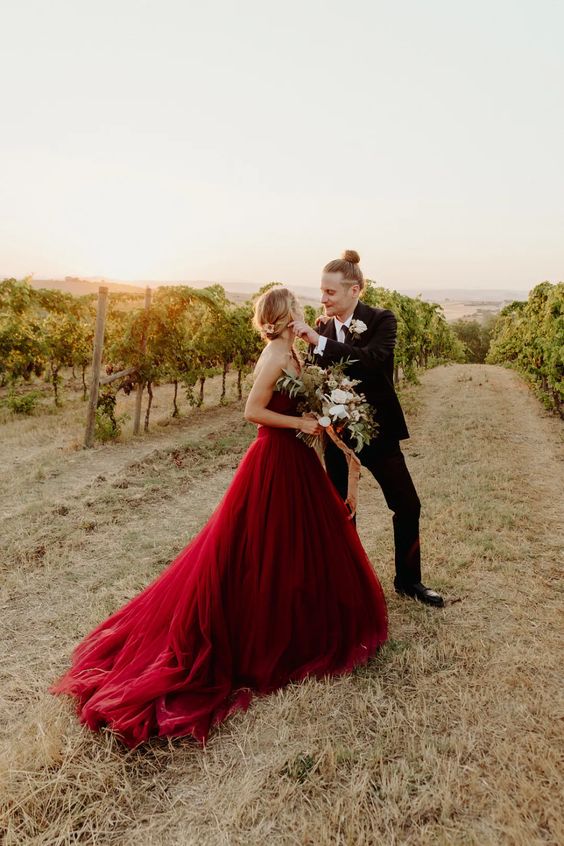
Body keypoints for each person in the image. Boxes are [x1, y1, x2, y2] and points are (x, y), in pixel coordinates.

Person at [50, 286, 388, 749]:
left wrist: (325, 411)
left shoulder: (293, 351)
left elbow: (297, 398)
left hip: (297, 459)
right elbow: (253, 412)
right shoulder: (273, 354)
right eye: (298, 307)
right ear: (284, 314)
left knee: (299, 543)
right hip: (274, 459)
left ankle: (303, 621)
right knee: (260, 547)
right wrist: (301, 424)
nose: (305, 311)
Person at [290, 250, 445, 608]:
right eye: (321, 291)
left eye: (330, 292)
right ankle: (349, 586)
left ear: (355, 290)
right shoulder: (323, 327)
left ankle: (409, 582)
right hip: (337, 436)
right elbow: (317, 381)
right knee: (344, 511)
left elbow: (375, 362)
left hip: (379, 433)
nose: (323, 299)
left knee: (407, 505)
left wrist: (319, 342)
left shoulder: (381, 320)